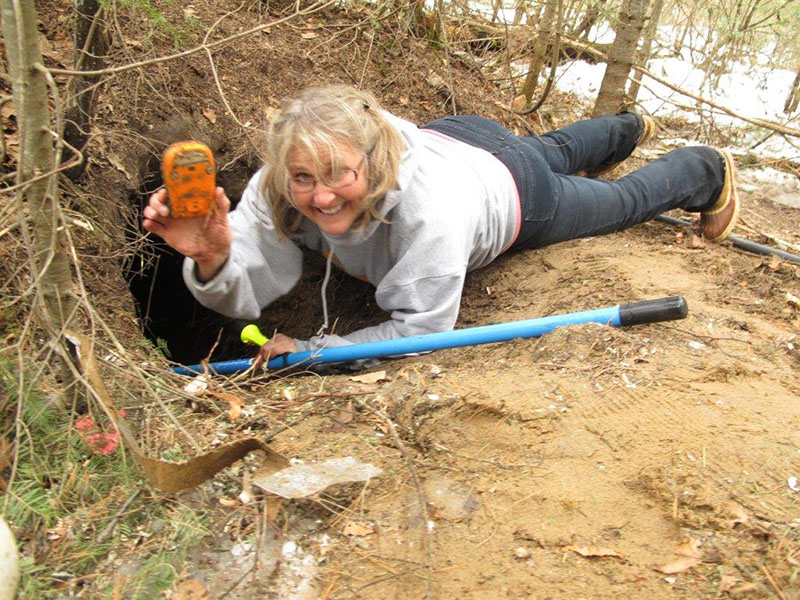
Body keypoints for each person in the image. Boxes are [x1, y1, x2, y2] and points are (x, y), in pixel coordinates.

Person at [142, 84, 739, 365]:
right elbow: (252, 283)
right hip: (462, 135)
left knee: (617, 202)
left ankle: (703, 168)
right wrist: (214, 254)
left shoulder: (430, 213)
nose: (320, 197)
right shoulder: (281, 184)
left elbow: (420, 328)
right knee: (552, 146)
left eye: (338, 175)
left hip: (514, 194)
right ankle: (628, 127)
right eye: (304, 178)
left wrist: (315, 349)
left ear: (373, 160)